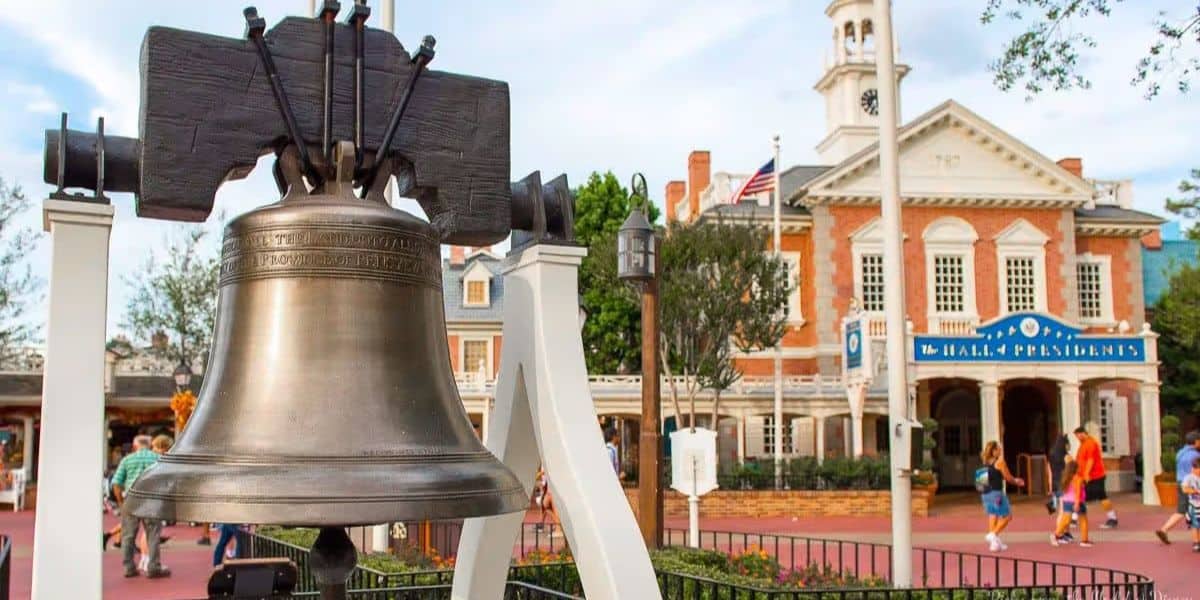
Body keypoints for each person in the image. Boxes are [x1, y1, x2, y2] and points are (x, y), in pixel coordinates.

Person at [112, 435, 170, 579]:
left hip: (131, 500)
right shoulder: (158, 459)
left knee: (128, 536)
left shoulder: (127, 460)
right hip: (151, 500)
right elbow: (165, 482)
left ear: (134, 446)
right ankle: (154, 567)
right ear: (150, 445)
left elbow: (116, 483)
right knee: (153, 535)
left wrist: (120, 502)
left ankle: (129, 567)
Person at [978, 440, 1024, 552]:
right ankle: (993, 534)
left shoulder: (985, 462)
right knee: (1007, 516)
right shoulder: (1000, 462)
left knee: (993, 515)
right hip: (996, 494)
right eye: (998, 448)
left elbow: (982, 481)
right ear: (994, 451)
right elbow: (1008, 477)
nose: (1001, 450)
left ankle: (994, 544)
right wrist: (1016, 481)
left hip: (985, 494)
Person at [1156, 431, 1200, 544]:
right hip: (1191, 485)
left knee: (1182, 510)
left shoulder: (1180, 453)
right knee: (1191, 511)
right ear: (1196, 442)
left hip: (1180, 482)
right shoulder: (1195, 455)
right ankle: (1196, 540)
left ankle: (1164, 529)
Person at [1073, 427, 1117, 528]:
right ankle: (1074, 518)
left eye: (1077, 436)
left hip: (1095, 476)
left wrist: (1086, 474)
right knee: (1081, 495)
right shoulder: (1083, 444)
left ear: (1083, 433)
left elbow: (1090, 460)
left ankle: (1112, 519)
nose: (1077, 438)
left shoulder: (1091, 443)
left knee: (1101, 496)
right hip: (1088, 476)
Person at [1051, 460, 1093, 547]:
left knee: (1066, 520)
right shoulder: (1078, 479)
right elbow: (1077, 491)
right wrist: (1077, 503)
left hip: (1067, 501)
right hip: (1077, 501)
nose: (1079, 469)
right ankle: (1084, 540)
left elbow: (1063, 491)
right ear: (1076, 469)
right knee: (1083, 520)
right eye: (1078, 467)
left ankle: (1056, 535)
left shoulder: (1066, 478)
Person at [1180, 457, 1200, 553]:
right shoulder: (1189, 478)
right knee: (1195, 525)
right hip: (1194, 505)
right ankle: (1196, 543)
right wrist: (1194, 491)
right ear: (1195, 468)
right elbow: (1184, 489)